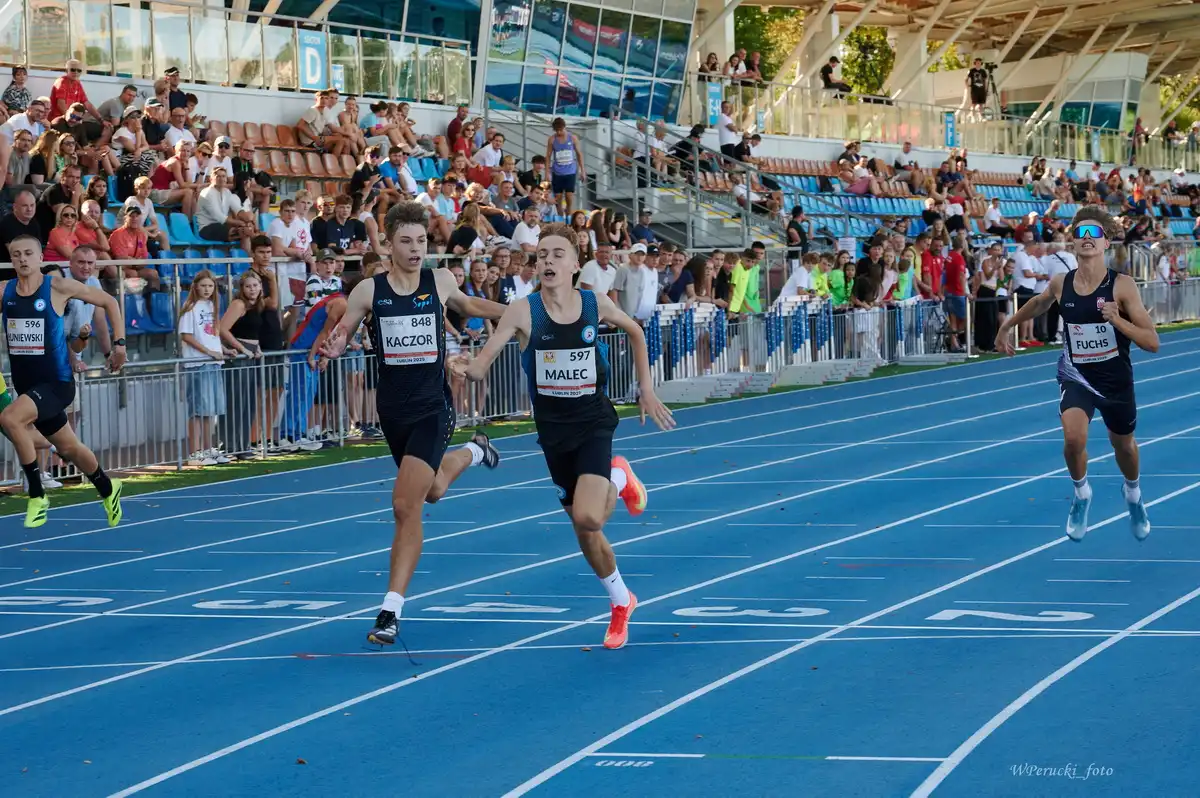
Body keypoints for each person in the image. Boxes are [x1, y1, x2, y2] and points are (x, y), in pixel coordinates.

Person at [452, 223, 675, 650]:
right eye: (542, 256)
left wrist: (645, 388)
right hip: (553, 432)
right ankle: (621, 601)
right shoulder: (523, 310)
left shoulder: (595, 303)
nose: (548, 261)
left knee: (589, 517)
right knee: (584, 531)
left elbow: (636, 331)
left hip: (593, 420)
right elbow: (484, 364)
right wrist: (463, 366)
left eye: (558, 254)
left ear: (576, 264)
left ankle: (619, 479)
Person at [318, 203, 508, 646]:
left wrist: (517, 311)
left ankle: (390, 610)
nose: (416, 249)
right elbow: (345, 326)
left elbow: (469, 303)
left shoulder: (438, 280)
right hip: (393, 411)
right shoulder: (370, 290)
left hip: (432, 407)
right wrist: (336, 342)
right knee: (435, 490)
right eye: (406, 241)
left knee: (406, 505)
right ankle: (477, 451)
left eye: (421, 241)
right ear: (388, 244)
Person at [996, 207, 1158, 542]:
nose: (1086, 239)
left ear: (1105, 243)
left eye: (1094, 233)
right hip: (1076, 375)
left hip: (1115, 380)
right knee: (1073, 440)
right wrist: (1008, 326)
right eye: (1080, 233)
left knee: (1124, 446)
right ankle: (1082, 493)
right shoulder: (1060, 283)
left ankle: (1133, 494)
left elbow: (1151, 342)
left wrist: (1117, 321)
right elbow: (1039, 304)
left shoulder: (1122, 286)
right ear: (1072, 242)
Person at [0, 235, 127, 527]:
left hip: (56, 384)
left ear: (40, 258)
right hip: (28, 387)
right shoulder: (5, 291)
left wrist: (119, 344)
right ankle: (109, 489)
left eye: (28, 253)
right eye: (16, 254)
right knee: (70, 448)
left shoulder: (57, 287)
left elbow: (108, 301)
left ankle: (36, 494)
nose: (22, 259)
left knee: (10, 418)